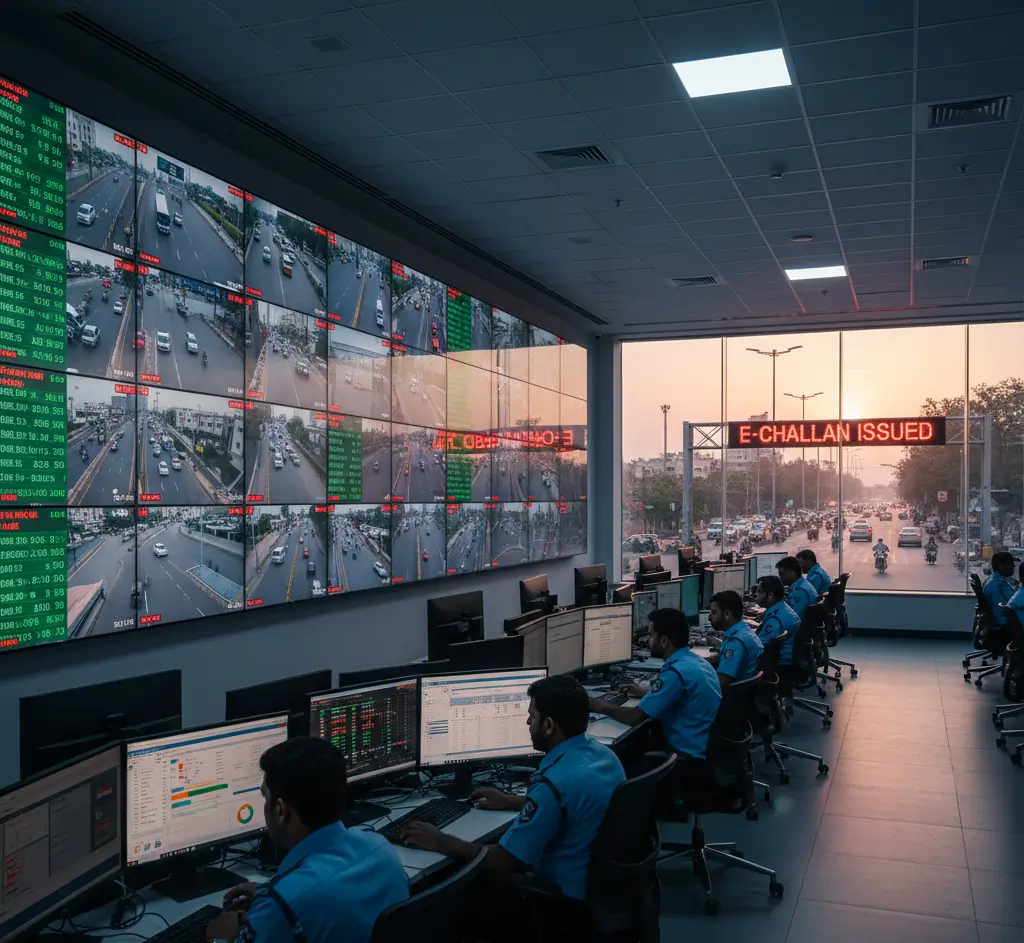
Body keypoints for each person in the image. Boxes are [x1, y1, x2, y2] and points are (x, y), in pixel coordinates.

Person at [403, 676, 624, 940]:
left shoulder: (553, 784)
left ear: (549, 725)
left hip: (564, 900)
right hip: (605, 886)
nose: (528, 723)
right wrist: (513, 802)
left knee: (456, 885)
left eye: (532, 716)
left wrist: (440, 841)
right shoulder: (604, 756)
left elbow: (504, 862)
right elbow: (575, 805)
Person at [205, 737, 408, 943]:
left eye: (266, 797)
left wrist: (220, 938)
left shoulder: (284, 904)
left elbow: (301, 901)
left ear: (281, 810)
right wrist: (271, 895)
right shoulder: (382, 849)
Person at [590, 608, 720, 775]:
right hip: (702, 747)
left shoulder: (675, 672)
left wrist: (600, 706)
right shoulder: (695, 662)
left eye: (651, 635)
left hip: (687, 758)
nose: (647, 640)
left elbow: (635, 716)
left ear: (664, 640)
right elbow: (681, 698)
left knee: (617, 763)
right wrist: (646, 694)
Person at [707, 589, 763, 688]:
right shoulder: (742, 631)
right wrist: (721, 645)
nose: (710, 617)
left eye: (714, 612)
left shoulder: (735, 643)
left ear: (727, 614)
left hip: (732, 696)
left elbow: (721, 682)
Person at [755, 575, 800, 666]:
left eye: (759, 591)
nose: (756, 595)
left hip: (781, 667)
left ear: (770, 595)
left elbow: (757, 647)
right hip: (787, 661)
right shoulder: (782, 608)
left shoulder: (775, 620)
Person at [983, 550, 1020, 627]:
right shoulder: (995, 587)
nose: (1014, 566)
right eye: (1011, 563)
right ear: (1001, 566)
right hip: (1007, 627)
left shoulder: (1001, 580)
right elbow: (1001, 613)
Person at [776, 555, 817, 621]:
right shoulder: (802, 584)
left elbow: (790, 617)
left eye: (782, 574)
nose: (780, 578)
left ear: (792, 572)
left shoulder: (800, 591)